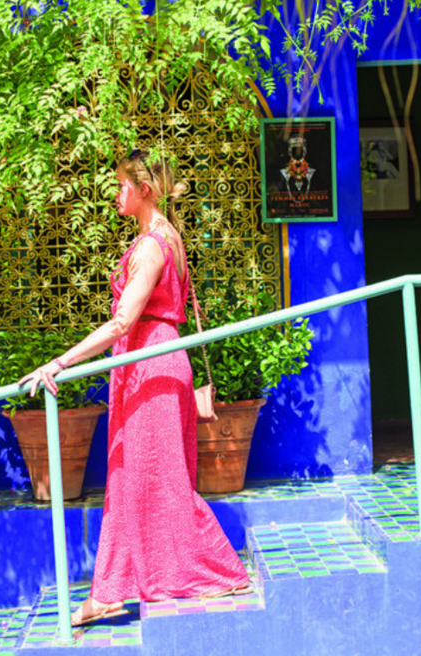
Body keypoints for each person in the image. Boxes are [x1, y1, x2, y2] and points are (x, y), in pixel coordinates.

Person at [19, 149, 251, 628]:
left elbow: (124, 320)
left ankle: (200, 569)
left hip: (152, 365)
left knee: (153, 478)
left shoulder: (151, 245)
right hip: (150, 364)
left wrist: (60, 362)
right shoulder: (169, 237)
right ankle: (112, 587)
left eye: (123, 185)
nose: (116, 194)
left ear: (144, 189)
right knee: (141, 478)